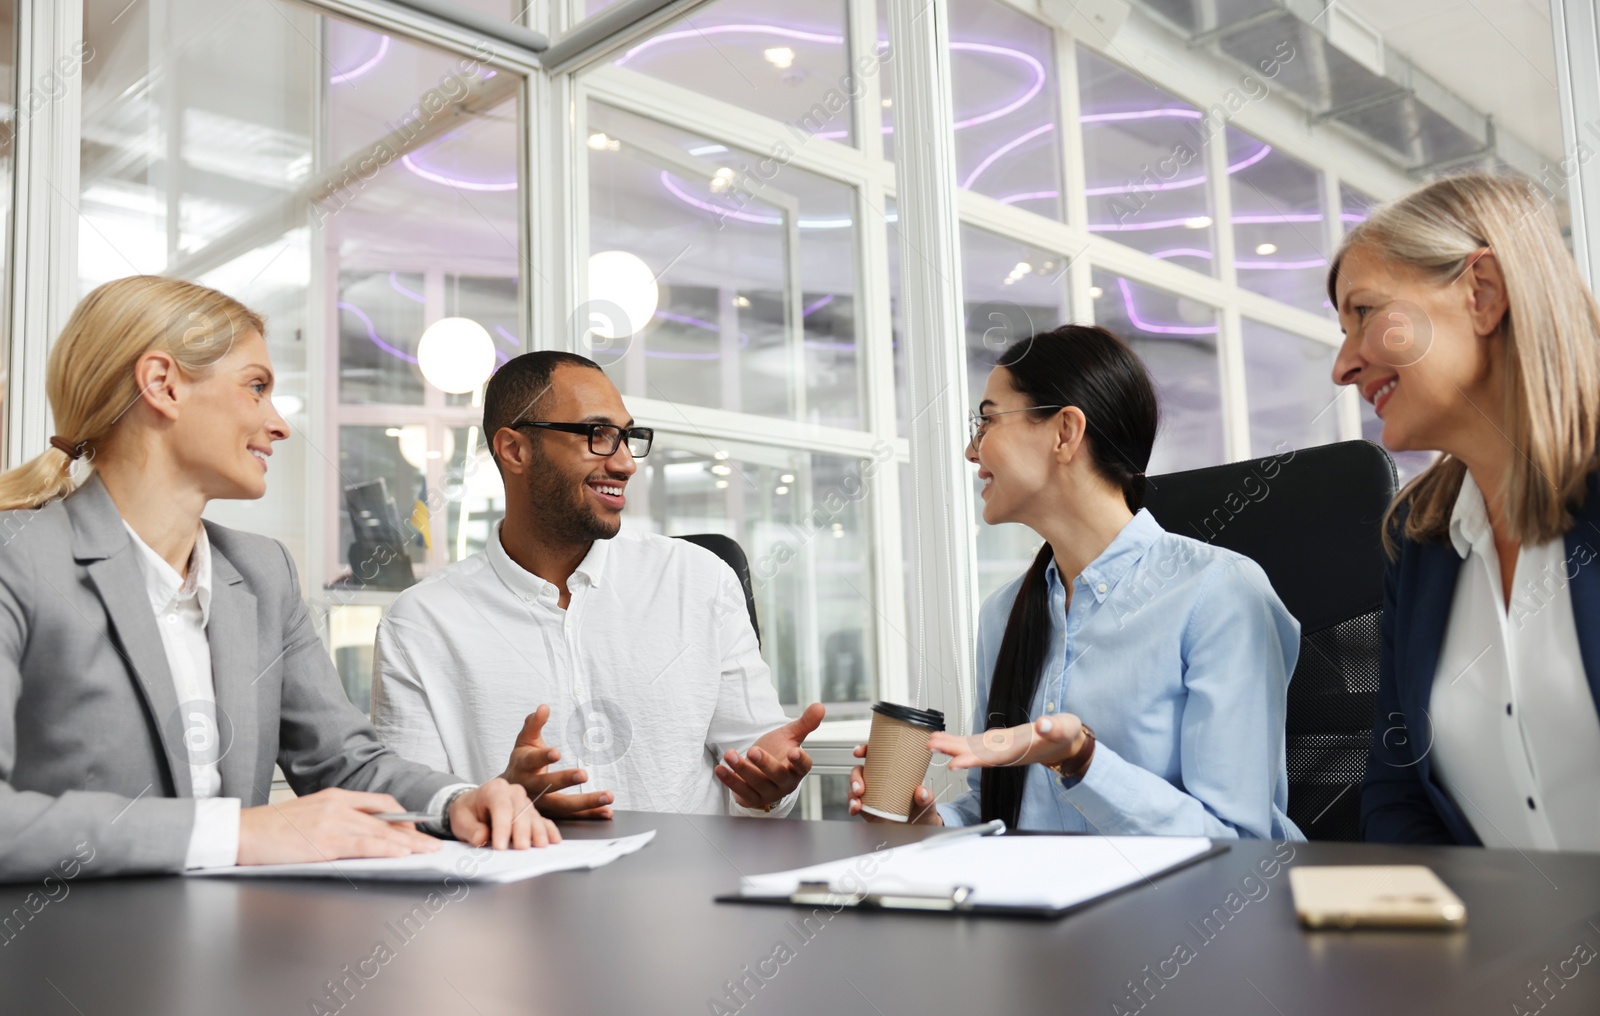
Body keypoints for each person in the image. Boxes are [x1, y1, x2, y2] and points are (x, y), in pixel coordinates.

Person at [0, 277, 557, 883]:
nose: (279, 424)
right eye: (256, 387)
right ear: (163, 384)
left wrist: (455, 802)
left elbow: (343, 762)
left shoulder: (263, 572)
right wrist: (237, 833)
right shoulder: (20, 561)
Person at [848, 325, 1302, 839]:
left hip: (1180, 913)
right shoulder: (1004, 614)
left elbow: (1239, 842)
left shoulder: (1218, 593)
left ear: (1065, 432)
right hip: (1039, 910)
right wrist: (928, 821)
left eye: (988, 421)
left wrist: (1082, 761)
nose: (972, 452)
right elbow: (1000, 811)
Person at [371, 351, 823, 819]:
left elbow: (762, 771)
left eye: (628, 437)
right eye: (598, 435)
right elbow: (411, 813)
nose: (626, 463)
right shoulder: (420, 623)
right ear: (514, 450)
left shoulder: (701, 580)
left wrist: (767, 785)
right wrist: (492, 803)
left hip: (687, 887)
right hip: (519, 886)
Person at [1331, 173, 1600, 848]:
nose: (1342, 365)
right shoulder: (1420, 541)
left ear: (1482, 294)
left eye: (1364, 312)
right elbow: (1397, 790)